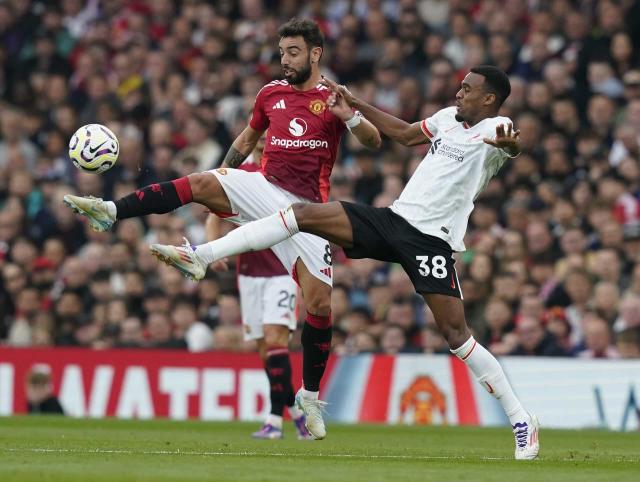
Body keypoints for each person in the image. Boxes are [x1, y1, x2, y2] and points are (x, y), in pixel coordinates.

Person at [151, 66, 540, 460]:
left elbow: (509, 146)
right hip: (394, 220)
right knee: (303, 214)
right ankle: (202, 255)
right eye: (460, 87)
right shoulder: (446, 120)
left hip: (431, 241)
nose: (459, 93)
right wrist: (355, 104)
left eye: (468, 89)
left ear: (489, 99)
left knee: (457, 335)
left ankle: (521, 419)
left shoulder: (498, 126)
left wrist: (509, 146)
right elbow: (405, 135)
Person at [62, 18, 381, 440]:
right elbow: (248, 139)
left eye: (293, 52)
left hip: (308, 212)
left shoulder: (334, 97)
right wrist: (225, 178)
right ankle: (109, 211)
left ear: (315, 54)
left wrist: (352, 119)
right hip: (263, 187)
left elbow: (374, 141)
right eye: (282, 51)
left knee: (319, 306)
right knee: (198, 182)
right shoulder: (270, 94)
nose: (284, 59)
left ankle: (309, 395)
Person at [205, 133, 311, 439]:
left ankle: (274, 421)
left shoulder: (287, 169)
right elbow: (214, 215)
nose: (265, 142)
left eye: (271, 136)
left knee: (276, 339)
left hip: (283, 269)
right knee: (267, 351)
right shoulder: (240, 174)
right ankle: (296, 412)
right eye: (261, 136)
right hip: (249, 273)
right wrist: (214, 248)